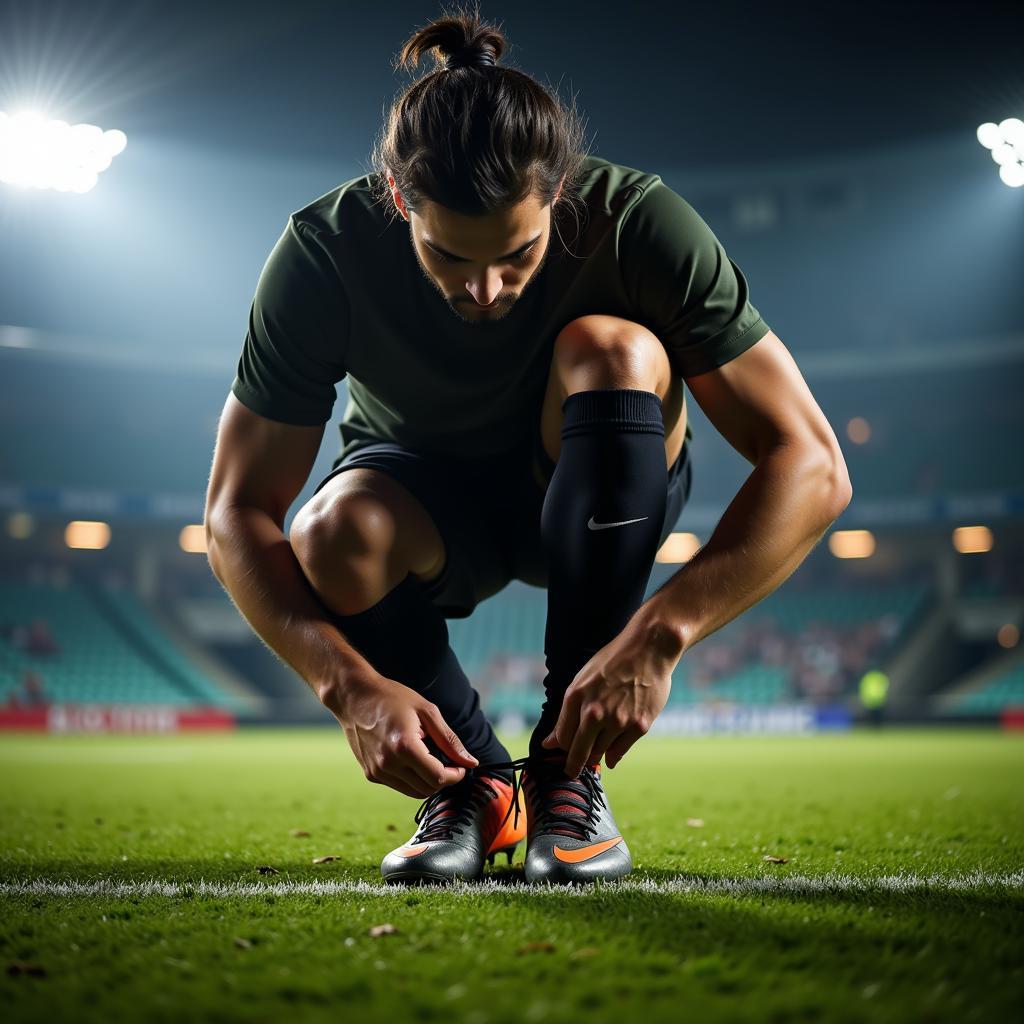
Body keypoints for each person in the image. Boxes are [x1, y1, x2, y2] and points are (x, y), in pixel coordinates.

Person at [204, 5, 852, 885]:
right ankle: (472, 789)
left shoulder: (638, 222)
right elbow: (237, 510)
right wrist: (346, 685)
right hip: (427, 507)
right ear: (400, 200)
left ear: (557, 195)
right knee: (329, 530)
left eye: (517, 255)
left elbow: (811, 461)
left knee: (612, 347)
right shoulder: (324, 253)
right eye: (448, 257)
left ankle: (564, 773)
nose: (484, 288)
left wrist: (662, 634)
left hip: (598, 473)